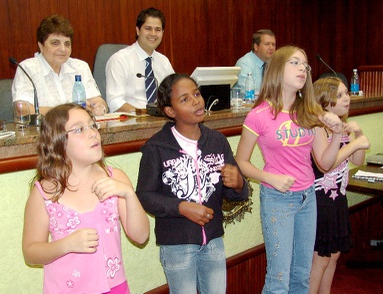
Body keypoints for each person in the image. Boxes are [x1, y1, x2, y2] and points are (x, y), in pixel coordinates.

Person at [235, 46, 344, 293]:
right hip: (278, 199)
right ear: (277, 69)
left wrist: (337, 134)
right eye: (294, 63)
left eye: (304, 65)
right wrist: (269, 177)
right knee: (279, 279)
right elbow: (241, 161)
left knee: (302, 275)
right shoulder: (258, 115)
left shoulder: (310, 111)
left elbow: (325, 163)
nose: (302, 69)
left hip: (308, 198)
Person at [136, 73, 249, 293]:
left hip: (214, 241)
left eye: (196, 94)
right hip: (177, 245)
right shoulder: (156, 147)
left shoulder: (217, 141)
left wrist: (238, 184)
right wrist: (181, 207)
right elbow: (145, 195)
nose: (196, 100)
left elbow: (237, 194)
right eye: (185, 99)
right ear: (170, 111)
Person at [22, 103, 149, 293]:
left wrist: (129, 195)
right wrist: (67, 244)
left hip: (113, 287)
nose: (92, 133)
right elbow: (30, 253)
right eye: (79, 129)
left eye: (93, 125)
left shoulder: (115, 179)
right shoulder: (44, 193)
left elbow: (141, 236)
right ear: (58, 142)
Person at [309, 77, 370, 294]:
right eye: (340, 95)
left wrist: (359, 135)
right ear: (324, 101)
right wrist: (354, 143)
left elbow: (357, 160)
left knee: (333, 255)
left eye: (347, 94)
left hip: (338, 198)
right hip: (320, 201)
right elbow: (326, 164)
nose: (347, 99)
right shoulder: (317, 128)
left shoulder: (342, 125)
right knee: (320, 258)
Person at [12, 14, 107, 116]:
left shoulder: (80, 67)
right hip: (43, 130)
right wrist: (68, 112)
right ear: (41, 46)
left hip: (79, 129)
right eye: (55, 43)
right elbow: (22, 109)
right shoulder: (28, 68)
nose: (63, 49)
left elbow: (97, 100)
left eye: (67, 44)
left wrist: (100, 106)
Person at [105, 7, 174, 113]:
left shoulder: (164, 61)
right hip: (130, 122)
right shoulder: (119, 60)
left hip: (160, 120)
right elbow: (115, 102)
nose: (153, 34)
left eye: (158, 29)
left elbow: (174, 94)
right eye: (148, 28)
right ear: (138, 30)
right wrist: (143, 114)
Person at [235, 29, 276, 94]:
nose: (271, 48)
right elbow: (247, 92)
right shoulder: (245, 63)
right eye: (267, 44)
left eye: (273, 44)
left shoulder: (274, 63)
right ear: (256, 46)